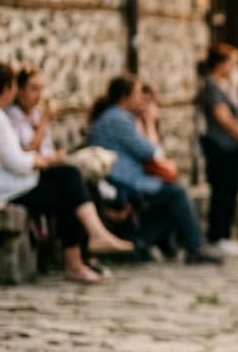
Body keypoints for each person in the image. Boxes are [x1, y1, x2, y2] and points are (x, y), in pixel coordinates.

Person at [0, 62, 132, 283]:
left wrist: (41, 161)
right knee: (66, 190)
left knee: (70, 179)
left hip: (1, 182)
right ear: (7, 88)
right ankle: (81, 255)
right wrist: (42, 161)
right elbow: (17, 161)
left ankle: (86, 249)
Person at [88, 75, 221, 265]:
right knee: (177, 194)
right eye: (138, 94)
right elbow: (150, 152)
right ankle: (195, 248)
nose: (142, 99)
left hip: (127, 179)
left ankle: (138, 243)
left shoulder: (119, 117)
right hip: (122, 182)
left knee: (174, 195)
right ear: (125, 97)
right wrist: (149, 121)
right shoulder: (118, 119)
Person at [200, 44, 238, 255]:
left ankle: (225, 234)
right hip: (220, 146)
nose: (234, 67)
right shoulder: (212, 87)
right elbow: (222, 116)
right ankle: (217, 235)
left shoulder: (228, 85)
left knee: (231, 189)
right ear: (220, 64)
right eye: (231, 62)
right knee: (221, 190)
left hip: (233, 147)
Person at [7, 64, 57, 158]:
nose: (40, 95)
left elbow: (48, 149)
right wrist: (45, 121)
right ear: (20, 90)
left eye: (42, 88)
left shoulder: (37, 113)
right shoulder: (13, 116)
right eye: (34, 89)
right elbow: (26, 154)